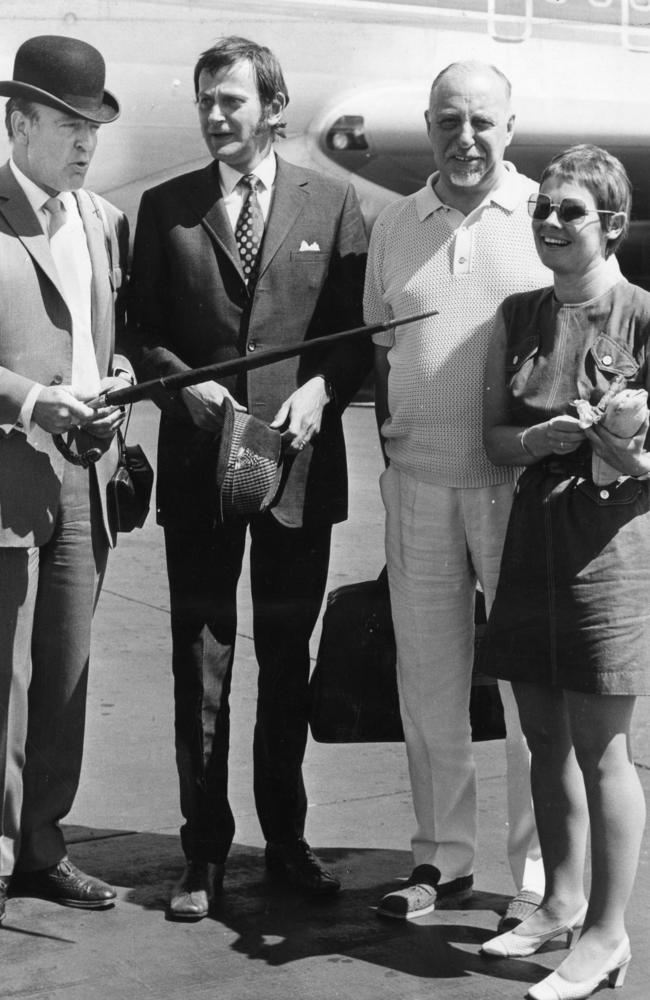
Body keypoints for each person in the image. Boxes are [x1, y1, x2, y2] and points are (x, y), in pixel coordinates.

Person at [127, 35, 369, 920]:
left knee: (285, 660)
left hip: (295, 473)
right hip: (200, 472)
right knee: (202, 660)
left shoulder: (335, 204)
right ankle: (203, 854)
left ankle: (287, 840)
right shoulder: (166, 208)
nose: (215, 116)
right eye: (205, 101)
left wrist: (320, 388)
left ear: (273, 106)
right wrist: (183, 389)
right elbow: (139, 330)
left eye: (231, 100)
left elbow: (354, 340)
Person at [363, 60, 548, 925]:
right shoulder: (396, 223)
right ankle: (442, 860)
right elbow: (379, 348)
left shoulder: (548, 215)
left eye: (481, 121)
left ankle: (540, 876)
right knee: (429, 681)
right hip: (420, 482)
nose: (465, 138)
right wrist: (399, 451)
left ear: (511, 125)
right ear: (427, 124)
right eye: (448, 120)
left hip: (518, 487)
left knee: (528, 691)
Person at [479, 144, 647, 1000]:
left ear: (612, 225)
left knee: (604, 748)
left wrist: (624, 440)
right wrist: (539, 441)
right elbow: (496, 439)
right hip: (533, 541)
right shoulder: (520, 314)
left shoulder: (644, 316)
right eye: (542, 206)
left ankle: (609, 937)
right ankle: (560, 903)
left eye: (568, 210)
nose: (547, 221)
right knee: (543, 734)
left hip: (608, 548)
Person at [0, 35, 131, 924]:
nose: (86, 144)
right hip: (9, 469)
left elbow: (96, 340)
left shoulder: (101, 220)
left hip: (86, 474)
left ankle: (43, 846)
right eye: (68, 124)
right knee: (0, 682)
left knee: (68, 675)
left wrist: (112, 382)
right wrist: (30, 401)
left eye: (93, 127)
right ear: (18, 122)